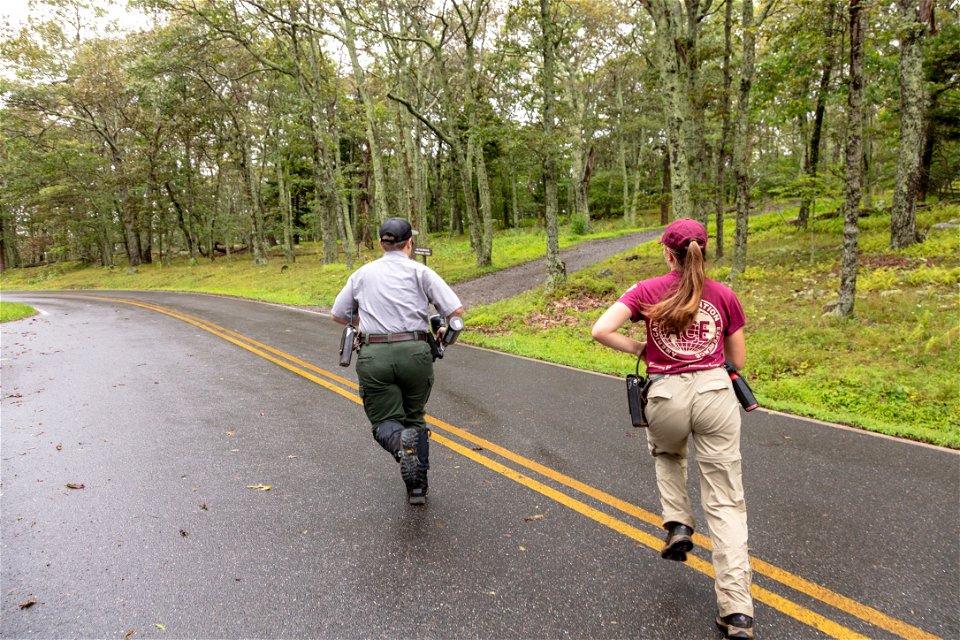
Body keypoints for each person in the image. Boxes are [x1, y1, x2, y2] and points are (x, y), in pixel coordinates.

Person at [591, 218, 754, 639]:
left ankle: (678, 524)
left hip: (666, 394)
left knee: (668, 453)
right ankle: (737, 612)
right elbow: (738, 358)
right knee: (725, 502)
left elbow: (601, 330)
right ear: (704, 250)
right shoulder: (723, 295)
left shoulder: (646, 290)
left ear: (668, 253)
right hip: (717, 392)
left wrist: (642, 348)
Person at [331, 217, 463, 505]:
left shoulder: (362, 274)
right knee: (414, 416)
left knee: (384, 421)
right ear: (410, 243)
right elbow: (455, 310)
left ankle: (400, 445)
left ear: (381, 243)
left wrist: (363, 320)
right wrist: (442, 328)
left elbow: (338, 314)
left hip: (375, 353)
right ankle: (417, 489)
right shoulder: (420, 272)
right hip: (415, 352)